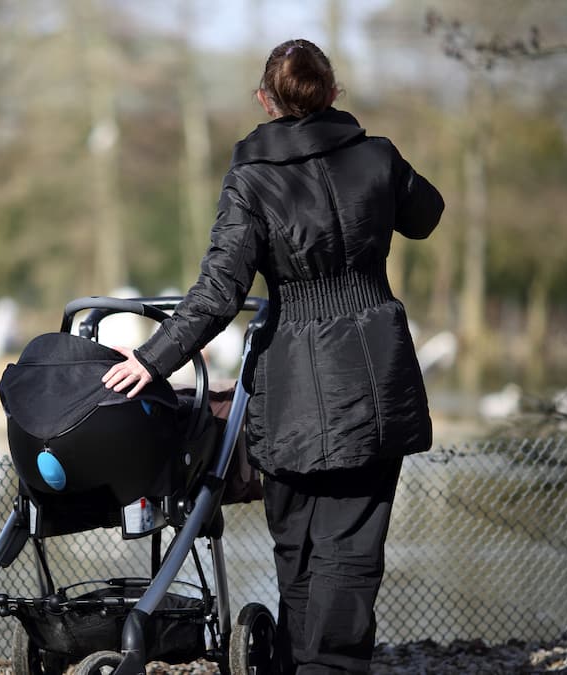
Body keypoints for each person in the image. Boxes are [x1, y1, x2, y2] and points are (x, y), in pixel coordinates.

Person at [102, 38, 443, 675]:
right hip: (374, 373)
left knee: (300, 552)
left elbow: (219, 293)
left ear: (264, 99)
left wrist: (153, 359)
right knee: (350, 551)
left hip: (289, 380)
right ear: (334, 91)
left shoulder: (250, 178)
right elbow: (427, 216)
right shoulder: (378, 157)